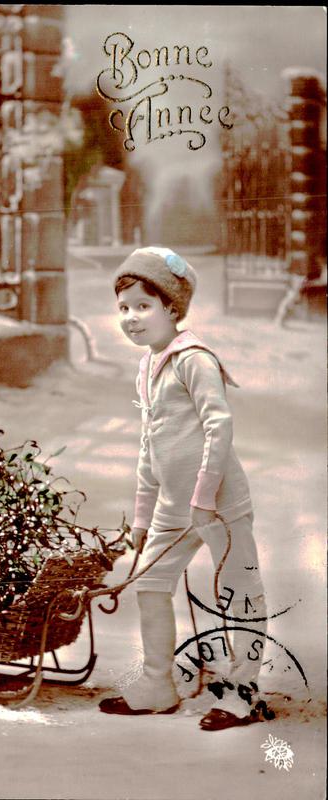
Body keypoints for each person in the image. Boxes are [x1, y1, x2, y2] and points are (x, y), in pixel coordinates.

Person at [99, 246, 268, 731]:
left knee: (238, 591)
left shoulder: (194, 360)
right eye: (123, 308)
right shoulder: (149, 366)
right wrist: (142, 516)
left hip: (218, 502)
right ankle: (157, 684)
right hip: (174, 505)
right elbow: (150, 444)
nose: (131, 318)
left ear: (172, 308)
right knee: (150, 585)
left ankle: (241, 693)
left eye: (143, 306)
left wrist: (204, 496)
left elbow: (219, 425)